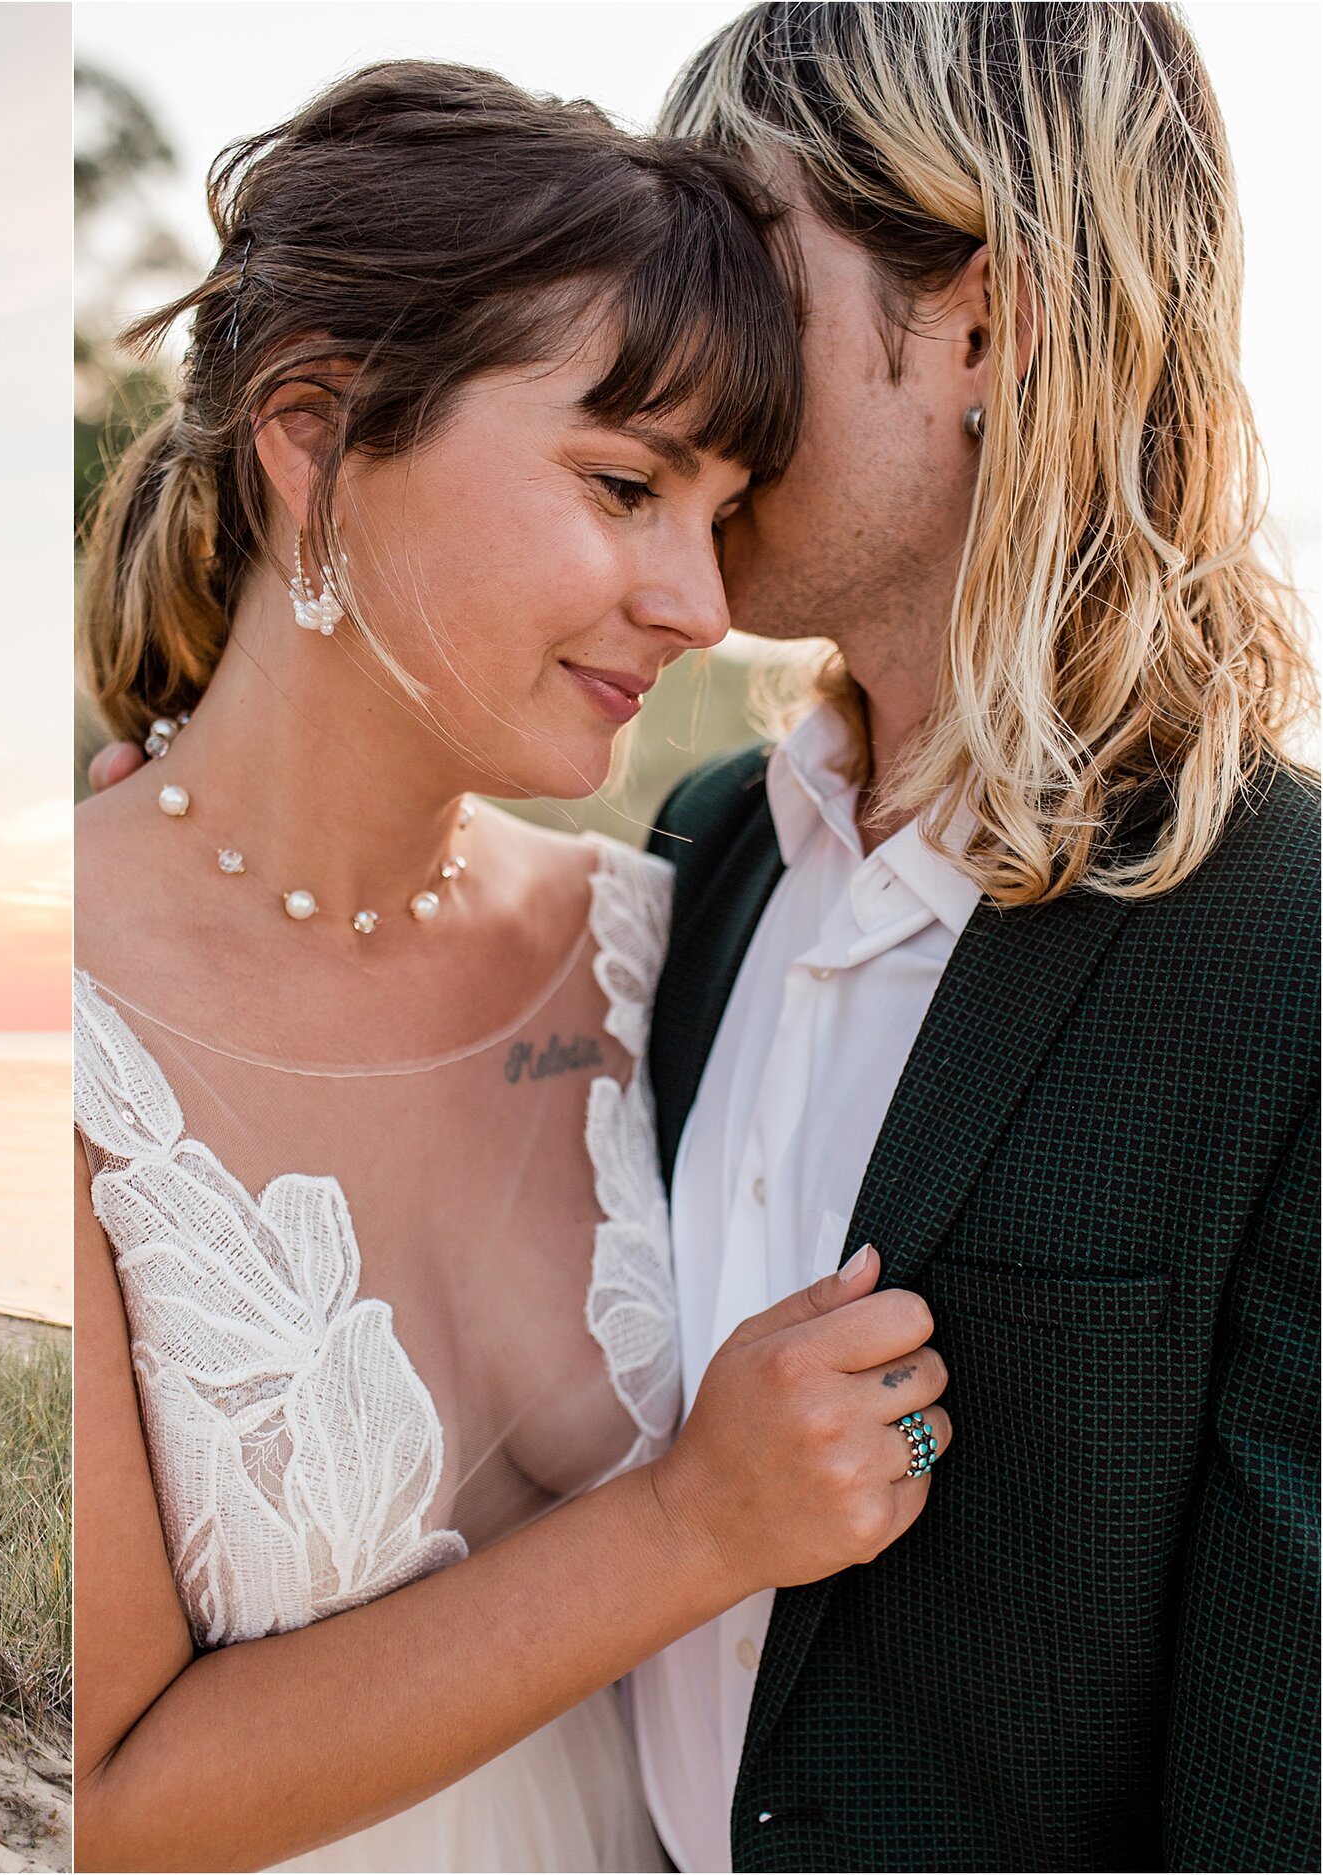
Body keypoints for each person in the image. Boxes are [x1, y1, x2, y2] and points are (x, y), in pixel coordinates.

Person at [72, 63, 952, 1872]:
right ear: (312, 433)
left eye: (718, 512)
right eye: (625, 483)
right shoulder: (58, 1007)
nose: (702, 603)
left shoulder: (657, 929)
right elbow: (102, 1802)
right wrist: (698, 1522)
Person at [626, 8, 1318, 1868]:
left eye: (736, 271)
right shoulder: (706, 858)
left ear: (987, 327)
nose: (662, 353)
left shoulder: (1294, 958)